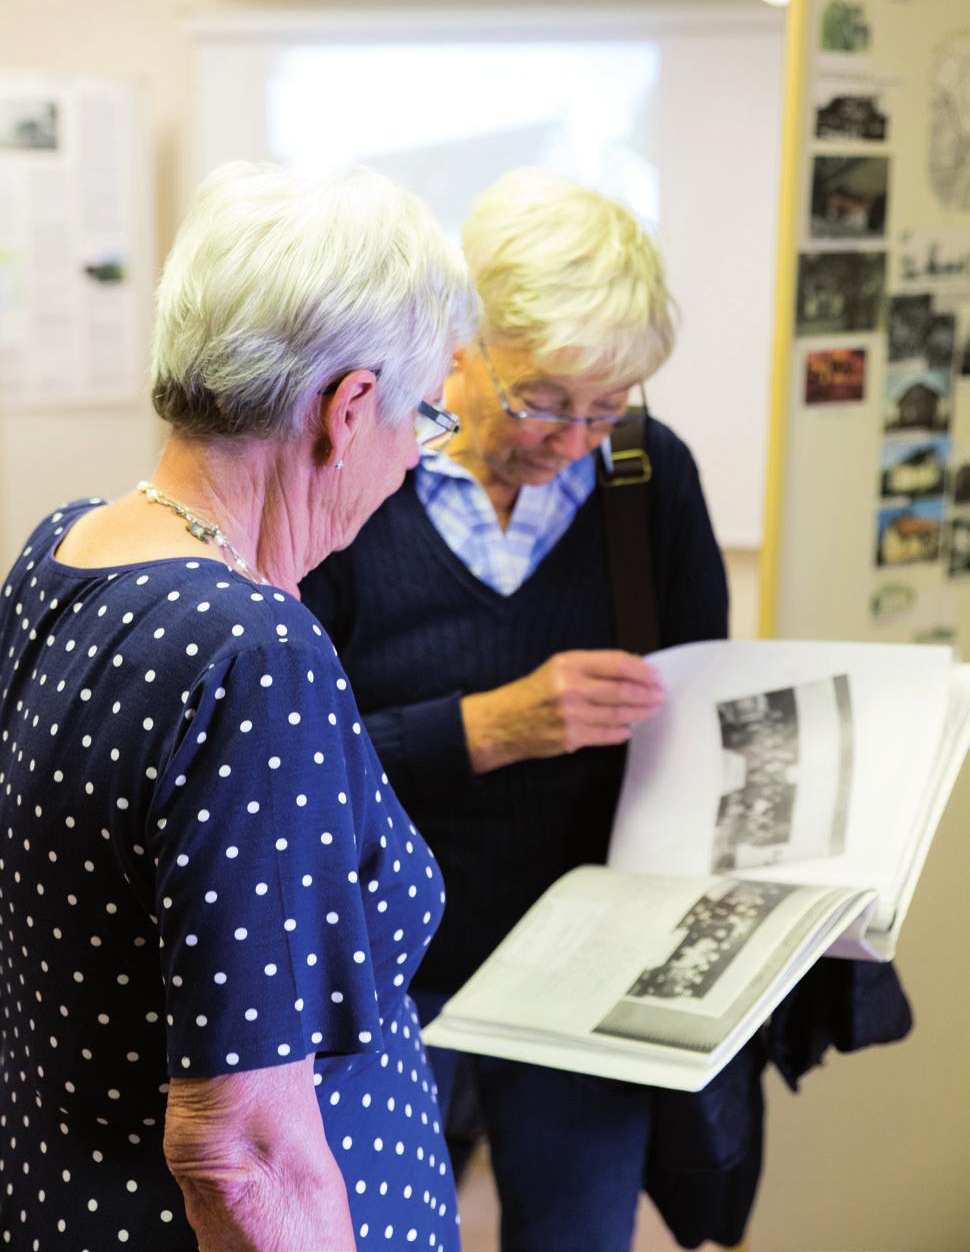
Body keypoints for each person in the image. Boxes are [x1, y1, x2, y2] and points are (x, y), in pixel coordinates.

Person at [0, 159, 479, 1251]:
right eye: (423, 419)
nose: (415, 458)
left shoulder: (68, 549)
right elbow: (241, 1148)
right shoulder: (253, 655)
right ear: (350, 408)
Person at [301, 168, 729, 1252]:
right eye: (542, 397)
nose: (573, 437)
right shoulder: (356, 471)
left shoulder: (645, 476)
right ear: (458, 337)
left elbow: (707, 708)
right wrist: (485, 728)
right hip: (384, 966)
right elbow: (289, 766)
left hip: (584, 964)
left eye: (608, 406)